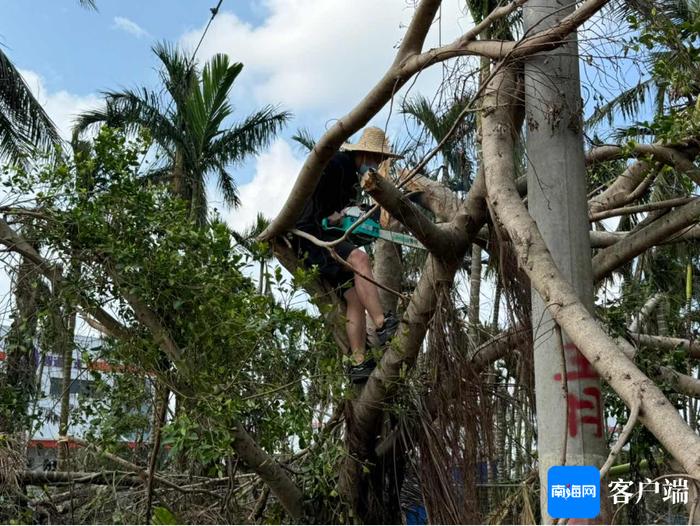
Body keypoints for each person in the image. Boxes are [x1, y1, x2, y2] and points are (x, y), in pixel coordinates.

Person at [294, 127, 401, 383]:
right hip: (312, 235)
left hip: (325, 235)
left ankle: (358, 362)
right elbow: (317, 199)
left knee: (354, 296)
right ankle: (381, 323)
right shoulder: (338, 163)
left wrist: (345, 213)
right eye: (375, 159)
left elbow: (336, 207)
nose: (376, 165)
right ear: (364, 154)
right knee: (361, 259)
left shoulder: (352, 177)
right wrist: (332, 214)